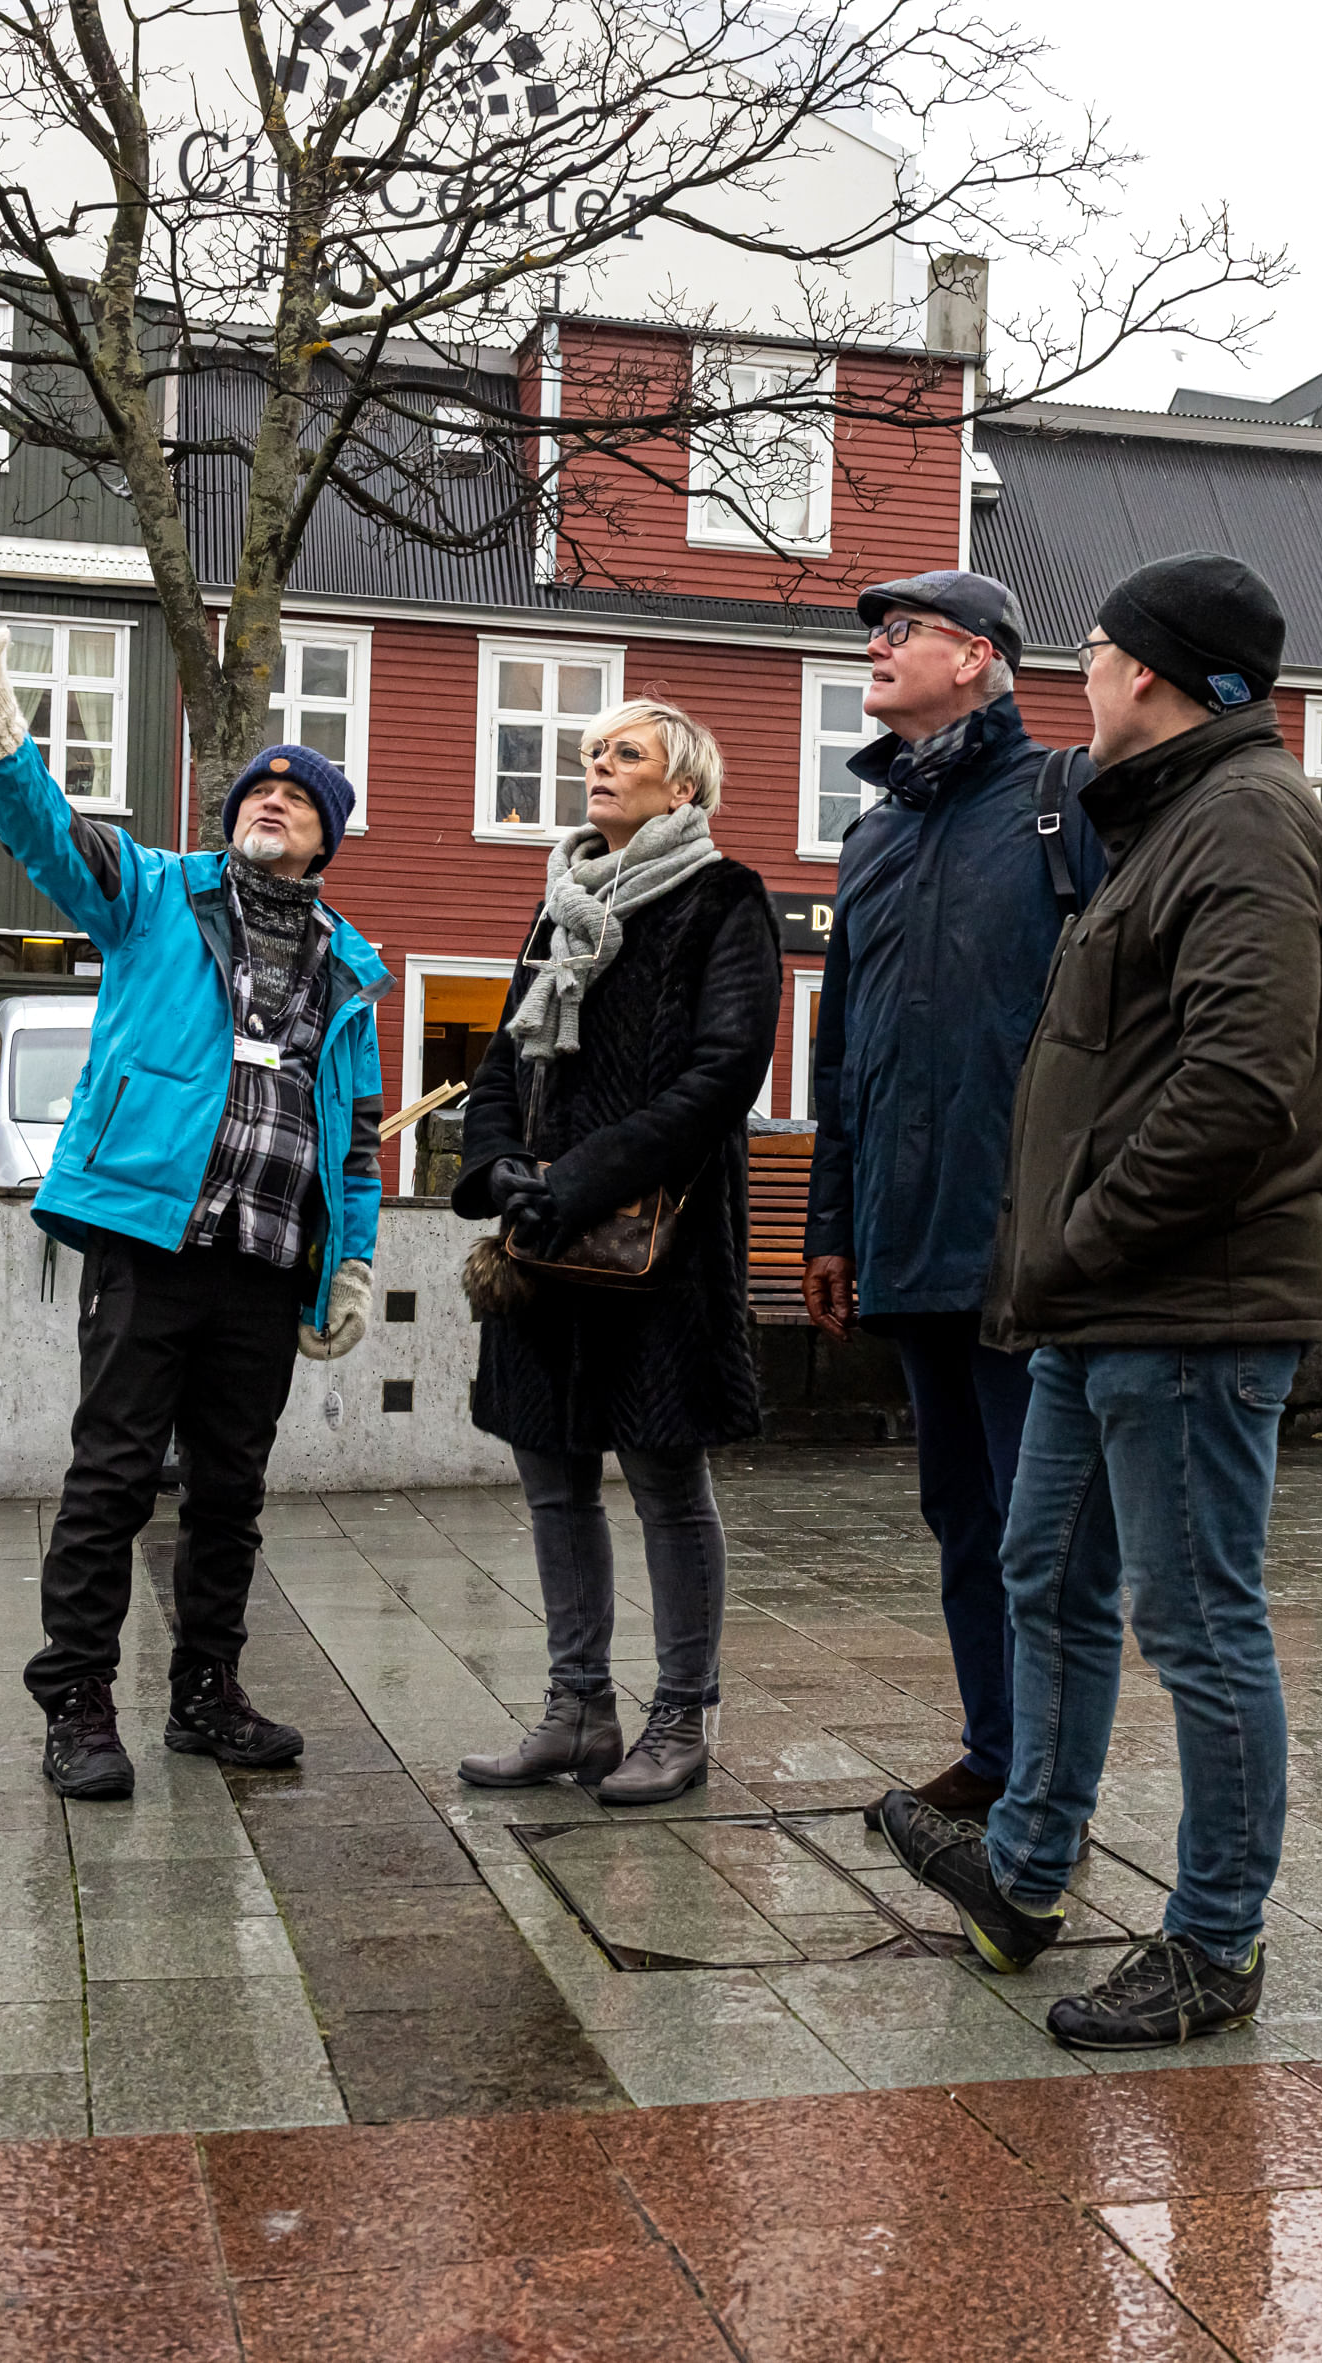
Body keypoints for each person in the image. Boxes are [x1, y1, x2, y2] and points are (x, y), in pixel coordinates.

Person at [880, 553, 1322, 2049]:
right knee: (1047, 1576)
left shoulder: (1245, 820)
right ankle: (1021, 1869)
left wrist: (1081, 1236)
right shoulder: (1156, 824)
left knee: (1198, 1621)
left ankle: (1214, 1940)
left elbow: (1239, 1082)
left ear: (1143, 671)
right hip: (1100, 1306)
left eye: (1089, 651)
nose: (1074, 675)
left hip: (1184, 1306)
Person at [0, 626, 385, 1802]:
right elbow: (52, 842)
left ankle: (205, 1692)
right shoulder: (159, 894)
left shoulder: (350, 971)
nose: (270, 802)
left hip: (268, 1261)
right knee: (113, 1475)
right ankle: (75, 1700)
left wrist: (352, 1266)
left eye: (295, 795)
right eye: (255, 791)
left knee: (232, 1489)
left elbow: (357, 1143)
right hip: (149, 1238)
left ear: (327, 834)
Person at [800, 567, 1118, 1824]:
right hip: (907, 1231)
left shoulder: (1064, 802)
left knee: (1039, 1533)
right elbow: (843, 1049)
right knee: (958, 1513)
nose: (875, 650)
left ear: (979, 657)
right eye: (873, 633)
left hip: (1027, 1240)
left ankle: (1046, 1788)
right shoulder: (871, 835)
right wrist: (834, 1223)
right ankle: (995, 1754)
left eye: (901, 631)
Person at [452, 699, 779, 1807]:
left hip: (661, 1246)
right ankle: (577, 1707)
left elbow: (722, 1074)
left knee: (664, 1480)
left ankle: (679, 1717)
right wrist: (496, 1167)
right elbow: (503, 1056)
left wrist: (576, 1180)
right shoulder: (563, 901)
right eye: (593, 751)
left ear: (681, 786)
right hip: (542, 1241)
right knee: (552, 1478)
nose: (597, 765)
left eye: (623, 753)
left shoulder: (724, 899)